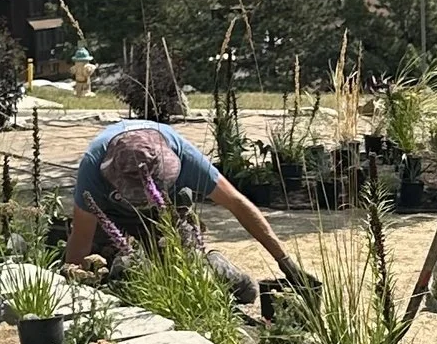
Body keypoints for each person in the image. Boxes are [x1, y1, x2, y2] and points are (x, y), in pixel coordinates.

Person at [64, 119, 306, 302]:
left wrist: (284, 261)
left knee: (185, 277)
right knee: (117, 276)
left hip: (168, 214)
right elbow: (81, 238)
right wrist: (75, 294)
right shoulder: (93, 166)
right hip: (114, 220)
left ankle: (218, 267)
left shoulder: (185, 156)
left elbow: (238, 203)